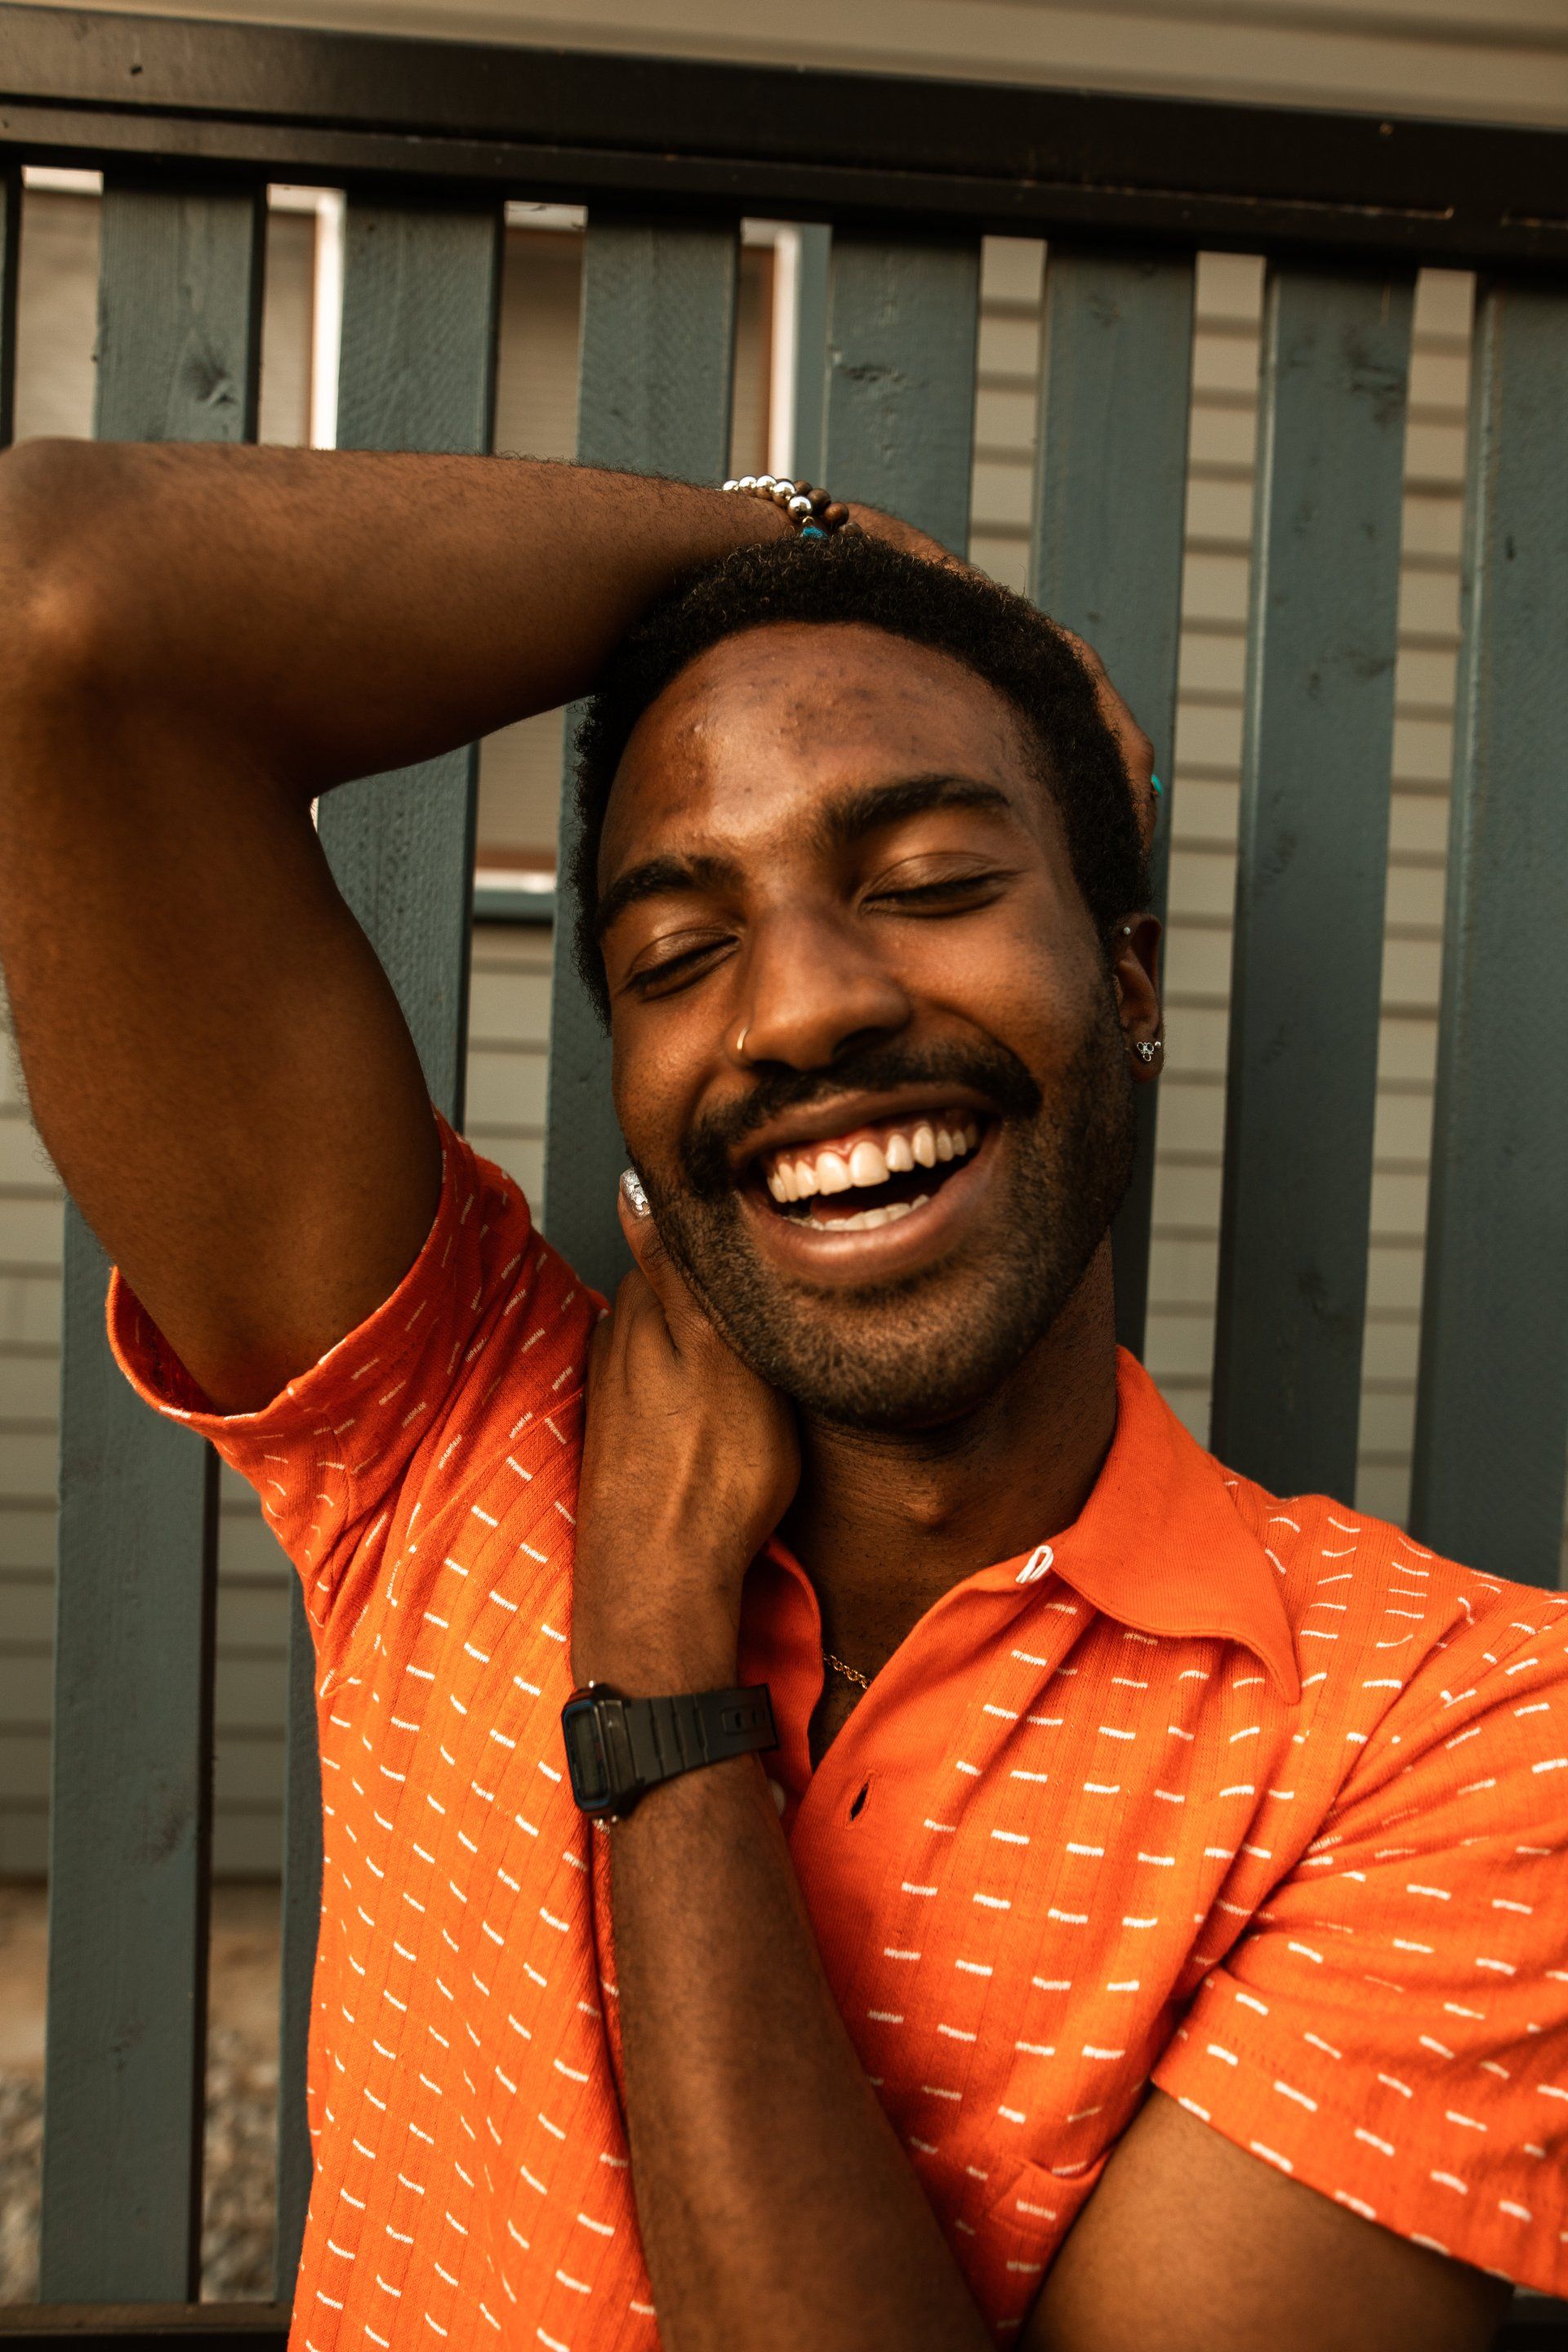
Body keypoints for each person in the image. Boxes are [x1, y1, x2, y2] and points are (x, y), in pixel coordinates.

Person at [0, 440, 1562, 2352]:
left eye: (932, 881)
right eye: (681, 952)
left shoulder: (1457, 1732)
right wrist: (808, 538)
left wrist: (659, 1673)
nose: (807, 1006)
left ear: (1130, 986)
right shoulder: (444, 1429)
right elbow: (63, 607)